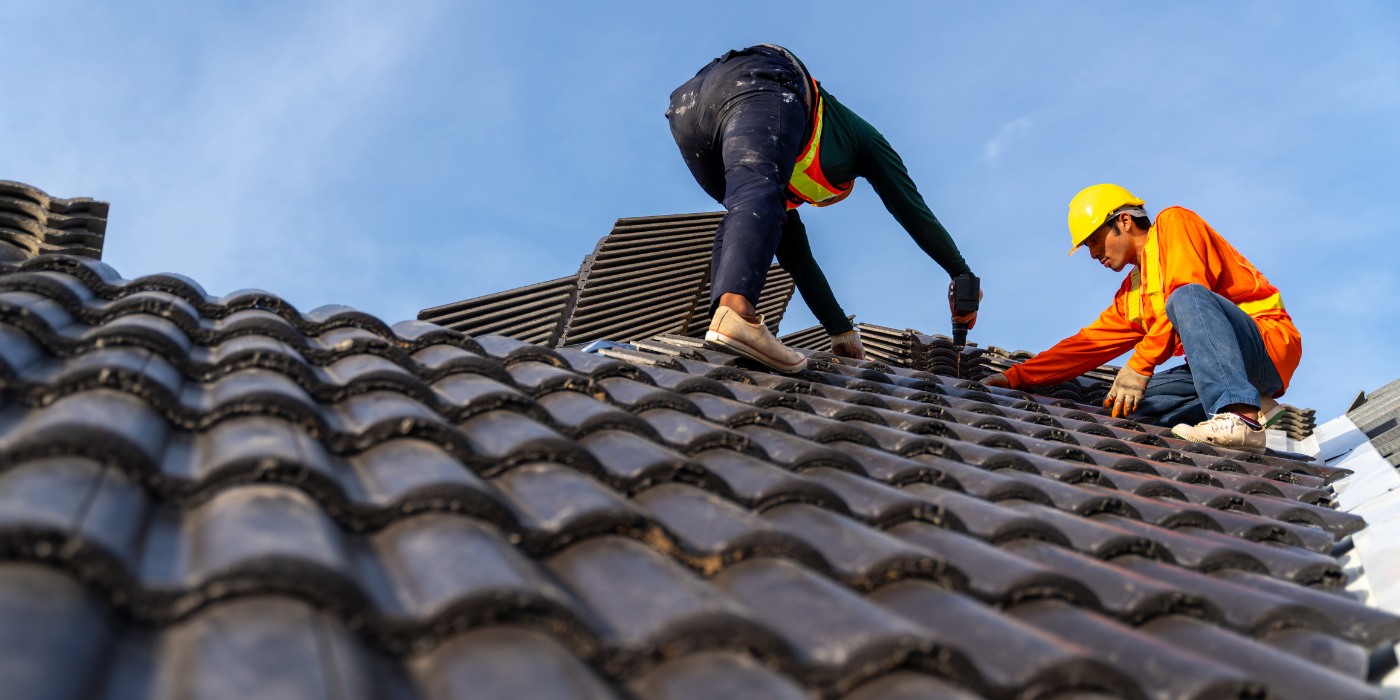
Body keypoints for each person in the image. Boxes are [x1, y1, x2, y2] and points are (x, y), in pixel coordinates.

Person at [666, 44, 979, 372]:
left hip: (688, 110)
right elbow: (911, 208)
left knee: (743, 213)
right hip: (761, 78)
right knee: (758, 195)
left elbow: (799, 259)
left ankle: (723, 324)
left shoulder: (779, 172)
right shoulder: (863, 141)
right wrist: (961, 273)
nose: (810, 201)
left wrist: (841, 332)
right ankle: (736, 312)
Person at [981, 184, 1301, 453]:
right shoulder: (1134, 293)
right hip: (1226, 368)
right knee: (1130, 405)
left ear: (1124, 221)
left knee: (1185, 296)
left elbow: (1188, 291)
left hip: (1266, 345)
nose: (1093, 254)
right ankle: (1253, 403)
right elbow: (1085, 345)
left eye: (1094, 240)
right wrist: (1015, 377)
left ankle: (1241, 417)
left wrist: (1140, 363)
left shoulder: (1174, 223)